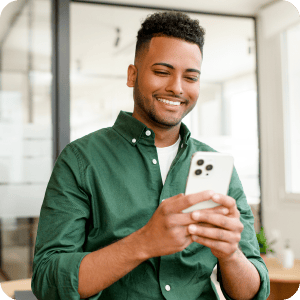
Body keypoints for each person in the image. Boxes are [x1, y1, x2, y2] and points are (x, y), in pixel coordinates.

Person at [31, 11, 270, 300]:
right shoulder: (81, 160)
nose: (177, 88)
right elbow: (47, 279)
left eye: (191, 77)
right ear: (133, 75)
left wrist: (230, 254)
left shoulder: (217, 167)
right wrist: (143, 243)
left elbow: (251, 291)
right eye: (161, 72)